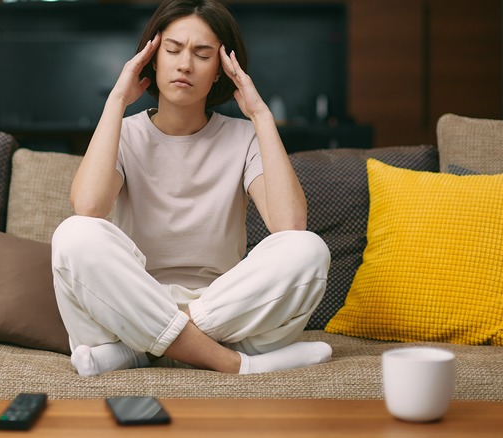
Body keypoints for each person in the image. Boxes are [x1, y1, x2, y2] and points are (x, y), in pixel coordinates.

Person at [51, 0, 331, 377]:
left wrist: (261, 115)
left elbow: (289, 222)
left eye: (202, 54)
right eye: (172, 50)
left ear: (220, 70)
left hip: (225, 310)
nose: (185, 64)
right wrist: (116, 100)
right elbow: (88, 207)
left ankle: (140, 352)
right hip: (130, 302)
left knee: (307, 248)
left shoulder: (243, 137)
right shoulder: (124, 133)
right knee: (74, 233)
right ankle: (233, 363)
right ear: (152, 57)